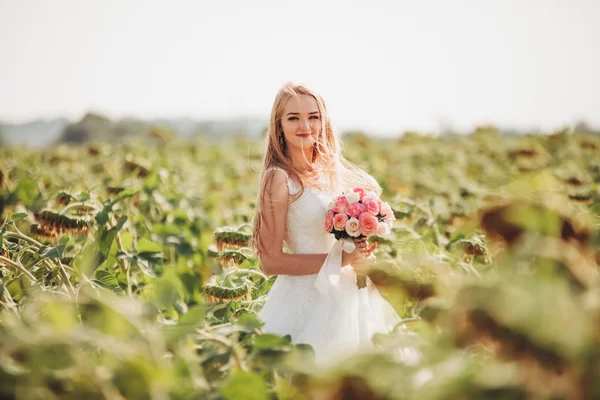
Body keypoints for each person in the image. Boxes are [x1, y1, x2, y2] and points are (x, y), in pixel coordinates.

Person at [251, 82, 412, 367]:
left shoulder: (329, 174)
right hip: (305, 298)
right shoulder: (278, 178)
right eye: (293, 118)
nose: (305, 125)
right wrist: (340, 259)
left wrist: (360, 255)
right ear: (279, 126)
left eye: (313, 116)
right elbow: (270, 261)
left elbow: (340, 245)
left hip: (350, 292)